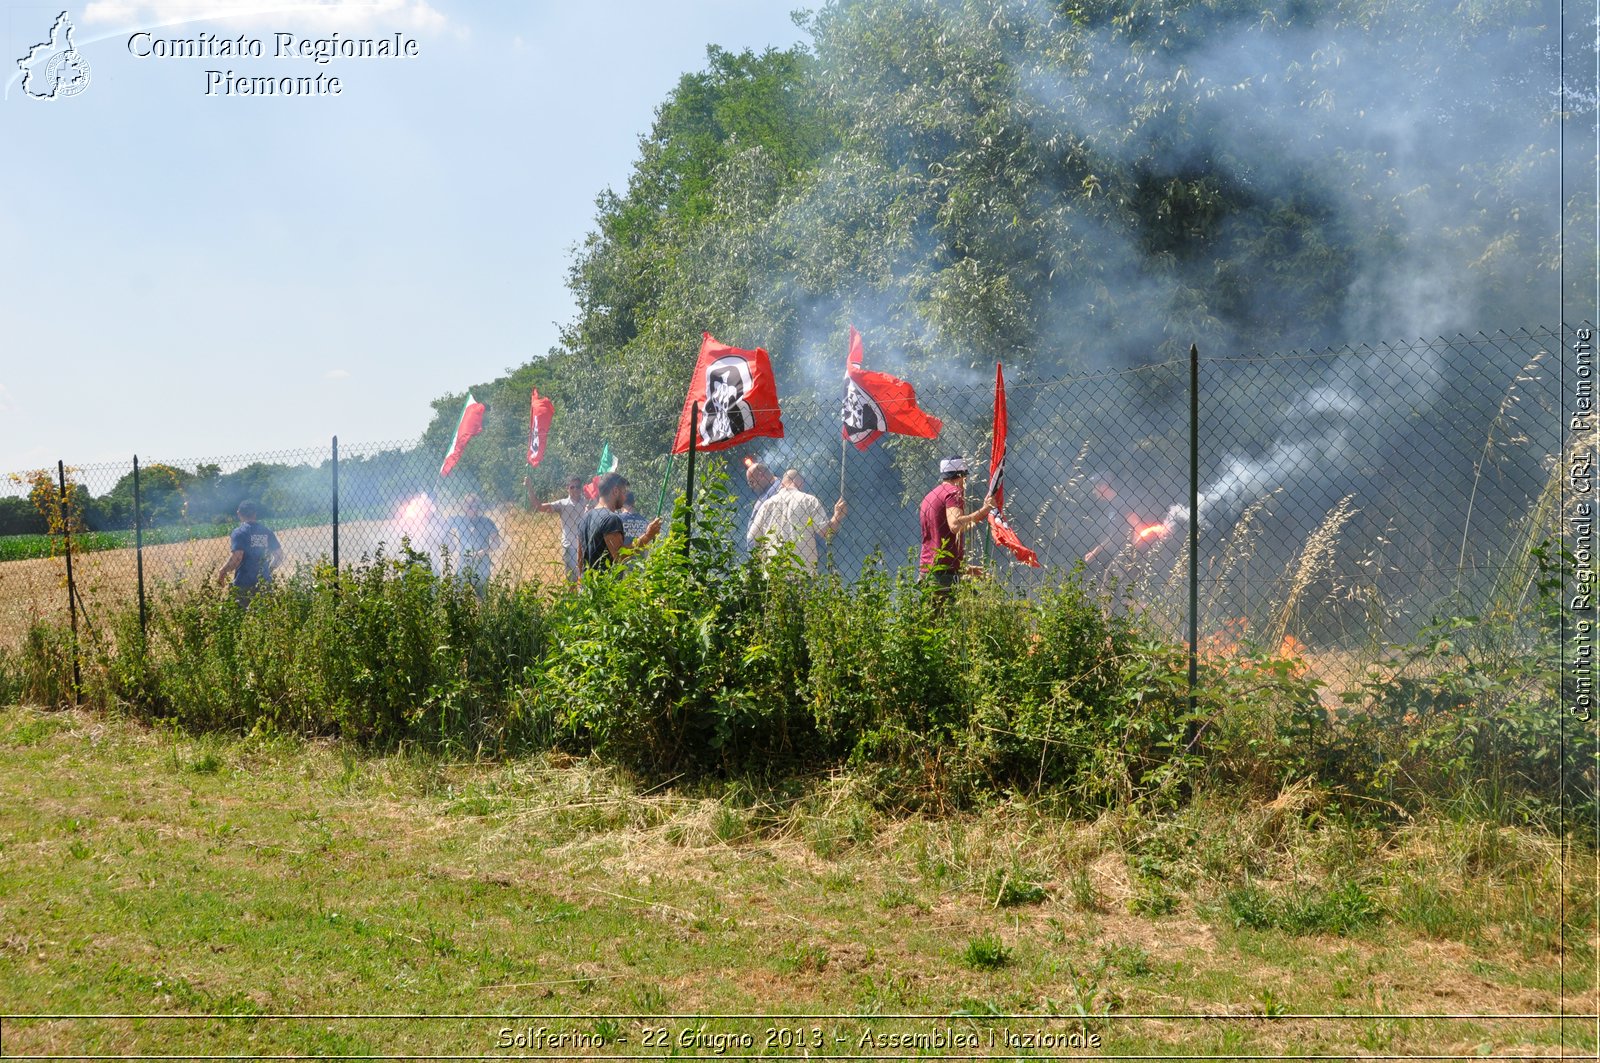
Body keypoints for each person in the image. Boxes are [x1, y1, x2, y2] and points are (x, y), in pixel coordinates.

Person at [918, 457, 995, 594]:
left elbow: (939, 544)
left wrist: (971, 570)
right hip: (944, 577)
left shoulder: (929, 497)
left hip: (927, 572)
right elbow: (955, 525)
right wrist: (985, 510)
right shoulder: (953, 493)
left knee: (936, 614)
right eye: (965, 477)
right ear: (961, 476)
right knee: (972, 610)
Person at [746, 469, 846, 572]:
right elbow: (826, 533)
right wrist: (837, 515)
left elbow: (752, 537)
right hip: (803, 573)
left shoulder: (766, 505)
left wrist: (762, 560)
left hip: (774, 574)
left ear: (782, 484)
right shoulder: (809, 501)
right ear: (800, 483)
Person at [578, 473, 661, 575]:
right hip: (606, 587)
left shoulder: (585, 517)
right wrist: (648, 536)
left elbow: (580, 559)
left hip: (588, 586)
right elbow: (620, 556)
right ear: (615, 491)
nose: (625, 496)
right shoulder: (611, 519)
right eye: (624, 492)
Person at [217, 500, 283, 604]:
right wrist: (268, 570)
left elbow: (237, 558)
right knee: (263, 613)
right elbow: (279, 556)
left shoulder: (239, 532)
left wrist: (223, 571)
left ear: (239, 513)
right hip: (263, 581)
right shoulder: (266, 532)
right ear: (255, 513)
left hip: (244, 582)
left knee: (239, 613)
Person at [527, 474, 588, 583]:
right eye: (572, 487)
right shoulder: (562, 504)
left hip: (585, 545)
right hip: (570, 546)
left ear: (581, 488)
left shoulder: (587, 502)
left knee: (586, 579)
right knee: (572, 581)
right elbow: (539, 506)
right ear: (567, 488)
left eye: (577, 486)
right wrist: (529, 488)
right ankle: (573, 599)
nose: (575, 489)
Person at [446, 494, 501, 595]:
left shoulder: (486, 522)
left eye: (474, 506)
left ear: (478, 507)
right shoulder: (459, 520)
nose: (471, 509)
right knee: (457, 593)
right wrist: (450, 540)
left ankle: (483, 610)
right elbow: (444, 526)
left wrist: (482, 552)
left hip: (482, 563)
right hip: (464, 562)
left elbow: (496, 543)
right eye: (468, 506)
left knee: (482, 597)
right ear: (463, 507)